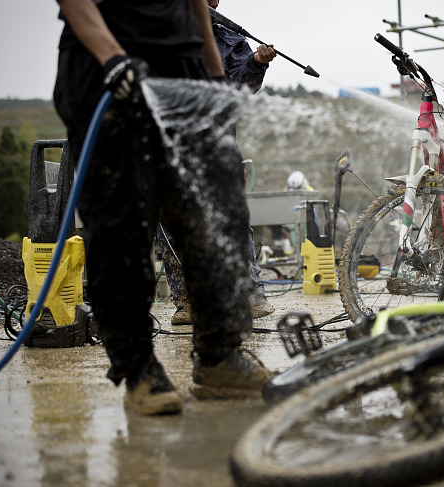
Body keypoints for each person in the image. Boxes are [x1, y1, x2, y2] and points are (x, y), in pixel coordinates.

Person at [53, 0, 272, 415]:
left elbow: (197, 9)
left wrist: (214, 82)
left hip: (183, 65)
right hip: (109, 67)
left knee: (218, 209)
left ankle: (219, 356)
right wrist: (112, 58)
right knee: (123, 225)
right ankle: (139, 369)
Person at [160, 0, 276, 325]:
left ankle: (251, 295)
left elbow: (241, 91)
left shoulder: (231, 40)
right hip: (168, 148)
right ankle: (187, 302)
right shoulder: (160, 32)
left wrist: (256, 64)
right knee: (170, 227)